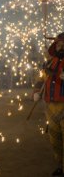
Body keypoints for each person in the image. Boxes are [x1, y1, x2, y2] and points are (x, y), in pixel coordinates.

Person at [34, 32, 64, 176]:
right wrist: (36, 91)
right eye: (58, 44)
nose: (60, 46)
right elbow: (41, 79)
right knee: (55, 138)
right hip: (51, 107)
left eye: (63, 44)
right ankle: (60, 165)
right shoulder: (49, 62)